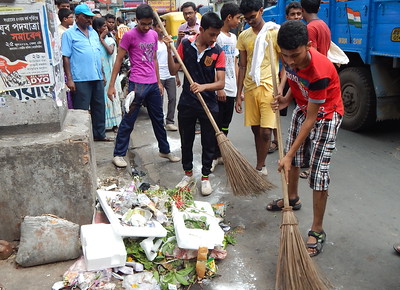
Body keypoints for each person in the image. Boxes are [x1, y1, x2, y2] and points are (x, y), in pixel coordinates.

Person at [267, 20, 344, 257]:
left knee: (318, 173)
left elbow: (312, 119)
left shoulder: (320, 70)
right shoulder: (289, 57)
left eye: (295, 55)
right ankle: (292, 197)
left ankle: (317, 229)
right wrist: (286, 100)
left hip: (326, 114)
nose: (289, 60)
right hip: (303, 106)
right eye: (285, 55)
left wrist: (287, 155)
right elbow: (294, 78)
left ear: (309, 45)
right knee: (294, 158)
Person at [107, 4, 180, 168]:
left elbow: (154, 59)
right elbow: (119, 60)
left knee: (158, 119)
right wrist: (111, 85)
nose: (146, 27)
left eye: (149, 24)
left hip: (153, 84)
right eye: (143, 24)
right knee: (129, 120)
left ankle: (164, 150)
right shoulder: (129, 36)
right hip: (137, 84)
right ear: (137, 20)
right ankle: (118, 154)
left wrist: (159, 82)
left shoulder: (153, 34)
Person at [165, 12, 225, 196]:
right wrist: (169, 49)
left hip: (208, 104)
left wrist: (203, 86)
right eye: (212, 34)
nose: (214, 38)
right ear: (202, 30)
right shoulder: (185, 45)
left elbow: (221, 83)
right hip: (187, 103)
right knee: (186, 140)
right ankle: (188, 174)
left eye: (217, 35)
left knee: (208, 142)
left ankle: (205, 177)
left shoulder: (217, 51)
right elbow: (173, 69)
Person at [235, 0, 281, 176]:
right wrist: (238, 94)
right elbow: (242, 66)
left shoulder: (273, 32)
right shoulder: (244, 36)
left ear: (261, 11)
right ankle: (260, 162)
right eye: (246, 19)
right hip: (250, 88)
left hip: (269, 87)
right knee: (255, 129)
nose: (250, 21)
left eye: (253, 17)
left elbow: (284, 63)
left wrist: (281, 88)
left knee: (266, 132)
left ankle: (260, 167)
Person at [62, 4, 111, 142]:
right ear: (77, 17)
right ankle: (80, 138)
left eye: (90, 17)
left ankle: (99, 134)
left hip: (96, 76)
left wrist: (102, 73)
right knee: (81, 110)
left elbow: (97, 54)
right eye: (86, 17)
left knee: (99, 107)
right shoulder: (69, 34)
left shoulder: (94, 33)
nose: (89, 20)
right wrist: (70, 79)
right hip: (80, 78)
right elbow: (66, 57)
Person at [268, 1, 303, 155]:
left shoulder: (304, 33)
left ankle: (298, 148)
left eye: (298, 14)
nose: (296, 17)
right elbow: (285, 64)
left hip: (302, 79)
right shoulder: (282, 35)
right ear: (287, 17)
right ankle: (277, 141)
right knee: (280, 109)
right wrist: (282, 85)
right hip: (289, 76)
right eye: (293, 14)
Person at [210, 3, 241, 172]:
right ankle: (213, 155)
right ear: (229, 17)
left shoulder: (233, 38)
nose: (238, 21)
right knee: (217, 122)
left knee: (226, 124)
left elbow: (234, 63)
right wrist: (219, 88)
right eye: (237, 18)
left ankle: (221, 153)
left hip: (231, 87)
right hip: (220, 88)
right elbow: (215, 64)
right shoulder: (218, 37)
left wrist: (238, 90)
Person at [92, 17, 122, 133]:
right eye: (103, 26)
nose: (106, 27)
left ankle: (115, 123)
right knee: (101, 99)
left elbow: (110, 51)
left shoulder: (109, 39)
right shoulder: (94, 41)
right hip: (100, 72)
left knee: (112, 97)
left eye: (106, 25)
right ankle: (104, 124)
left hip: (110, 73)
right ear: (98, 28)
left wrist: (102, 39)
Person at [153, 18, 181, 132]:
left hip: (170, 74)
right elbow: (153, 60)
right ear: (154, 27)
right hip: (158, 75)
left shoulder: (169, 41)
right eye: (160, 26)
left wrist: (177, 76)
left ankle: (170, 121)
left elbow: (174, 59)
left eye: (164, 26)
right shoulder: (153, 42)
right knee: (159, 100)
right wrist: (157, 80)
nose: (162, 29)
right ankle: (159, 122)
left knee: (173, 98)